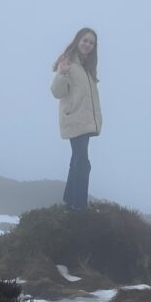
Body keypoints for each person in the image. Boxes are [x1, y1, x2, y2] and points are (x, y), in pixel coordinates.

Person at [50, 27, 102, 210]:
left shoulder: (86, 68)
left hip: (85, 121)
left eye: (91, 42)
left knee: (77, 161)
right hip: (74, 119)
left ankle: (69, 201)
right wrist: (62, 72)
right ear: (77, 40)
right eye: (85, 40)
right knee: (83, 163)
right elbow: (57, 92)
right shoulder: (69, 64)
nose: (87, 44)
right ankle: (79, 207)